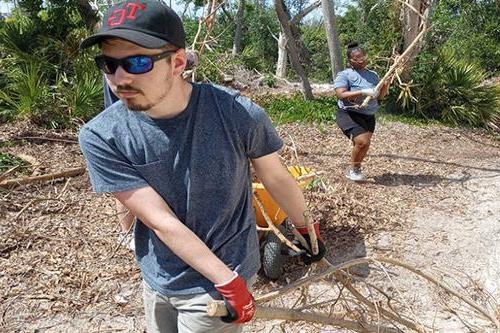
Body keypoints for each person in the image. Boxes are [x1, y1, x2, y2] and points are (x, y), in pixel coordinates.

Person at [78, 1, 325, 332]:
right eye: (109, 64)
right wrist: (229, 284)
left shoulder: (236, 113)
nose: (120, 78)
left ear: (177, 62)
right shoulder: (101, 136)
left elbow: (275, 176)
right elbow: (159, 220)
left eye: (137, 62)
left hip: (223, 273)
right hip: (158, 274)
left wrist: (308, 229)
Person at [333, 43, 390, 181]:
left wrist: (385, 86)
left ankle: (356, 168)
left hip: (369, 115)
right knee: (362, 142)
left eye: (363, 57)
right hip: (349, 114)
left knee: (362, 145)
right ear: (350, 61)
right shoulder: (345, 75)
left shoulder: (373, 75)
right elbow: (341, 94)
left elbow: (380, 97)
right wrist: (362, 91)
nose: (361, 60)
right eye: (357, 58)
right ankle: (353, 169)